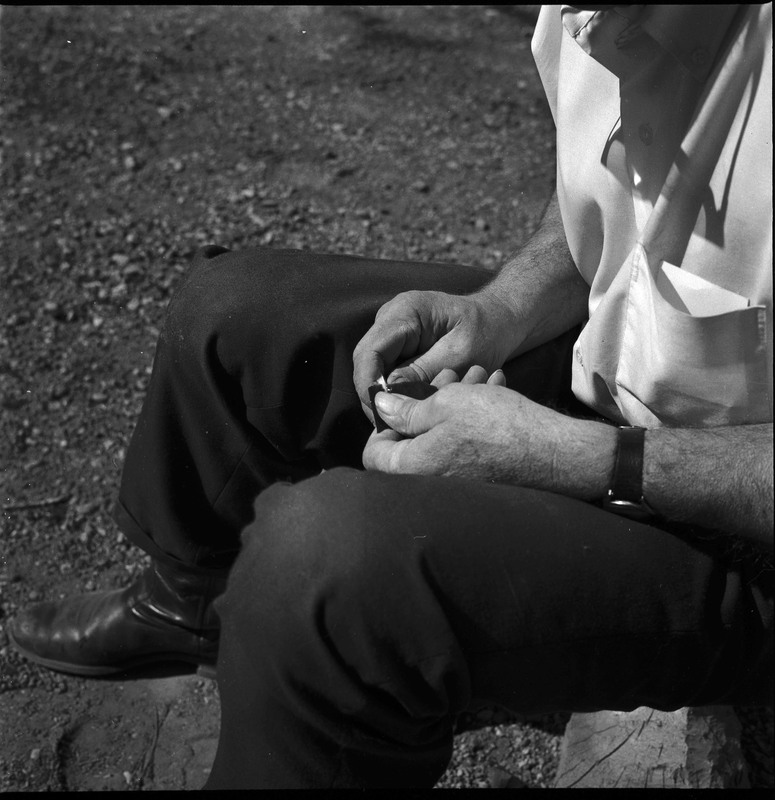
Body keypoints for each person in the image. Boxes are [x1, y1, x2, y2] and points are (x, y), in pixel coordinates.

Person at [10, 3, 772, 789]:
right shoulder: (587, 15)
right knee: (233, 313)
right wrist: (501, 309)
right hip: (617, 386)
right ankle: (188, 607)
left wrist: (572, 457)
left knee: (323, 571)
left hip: (742, 530)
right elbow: (604, 190)